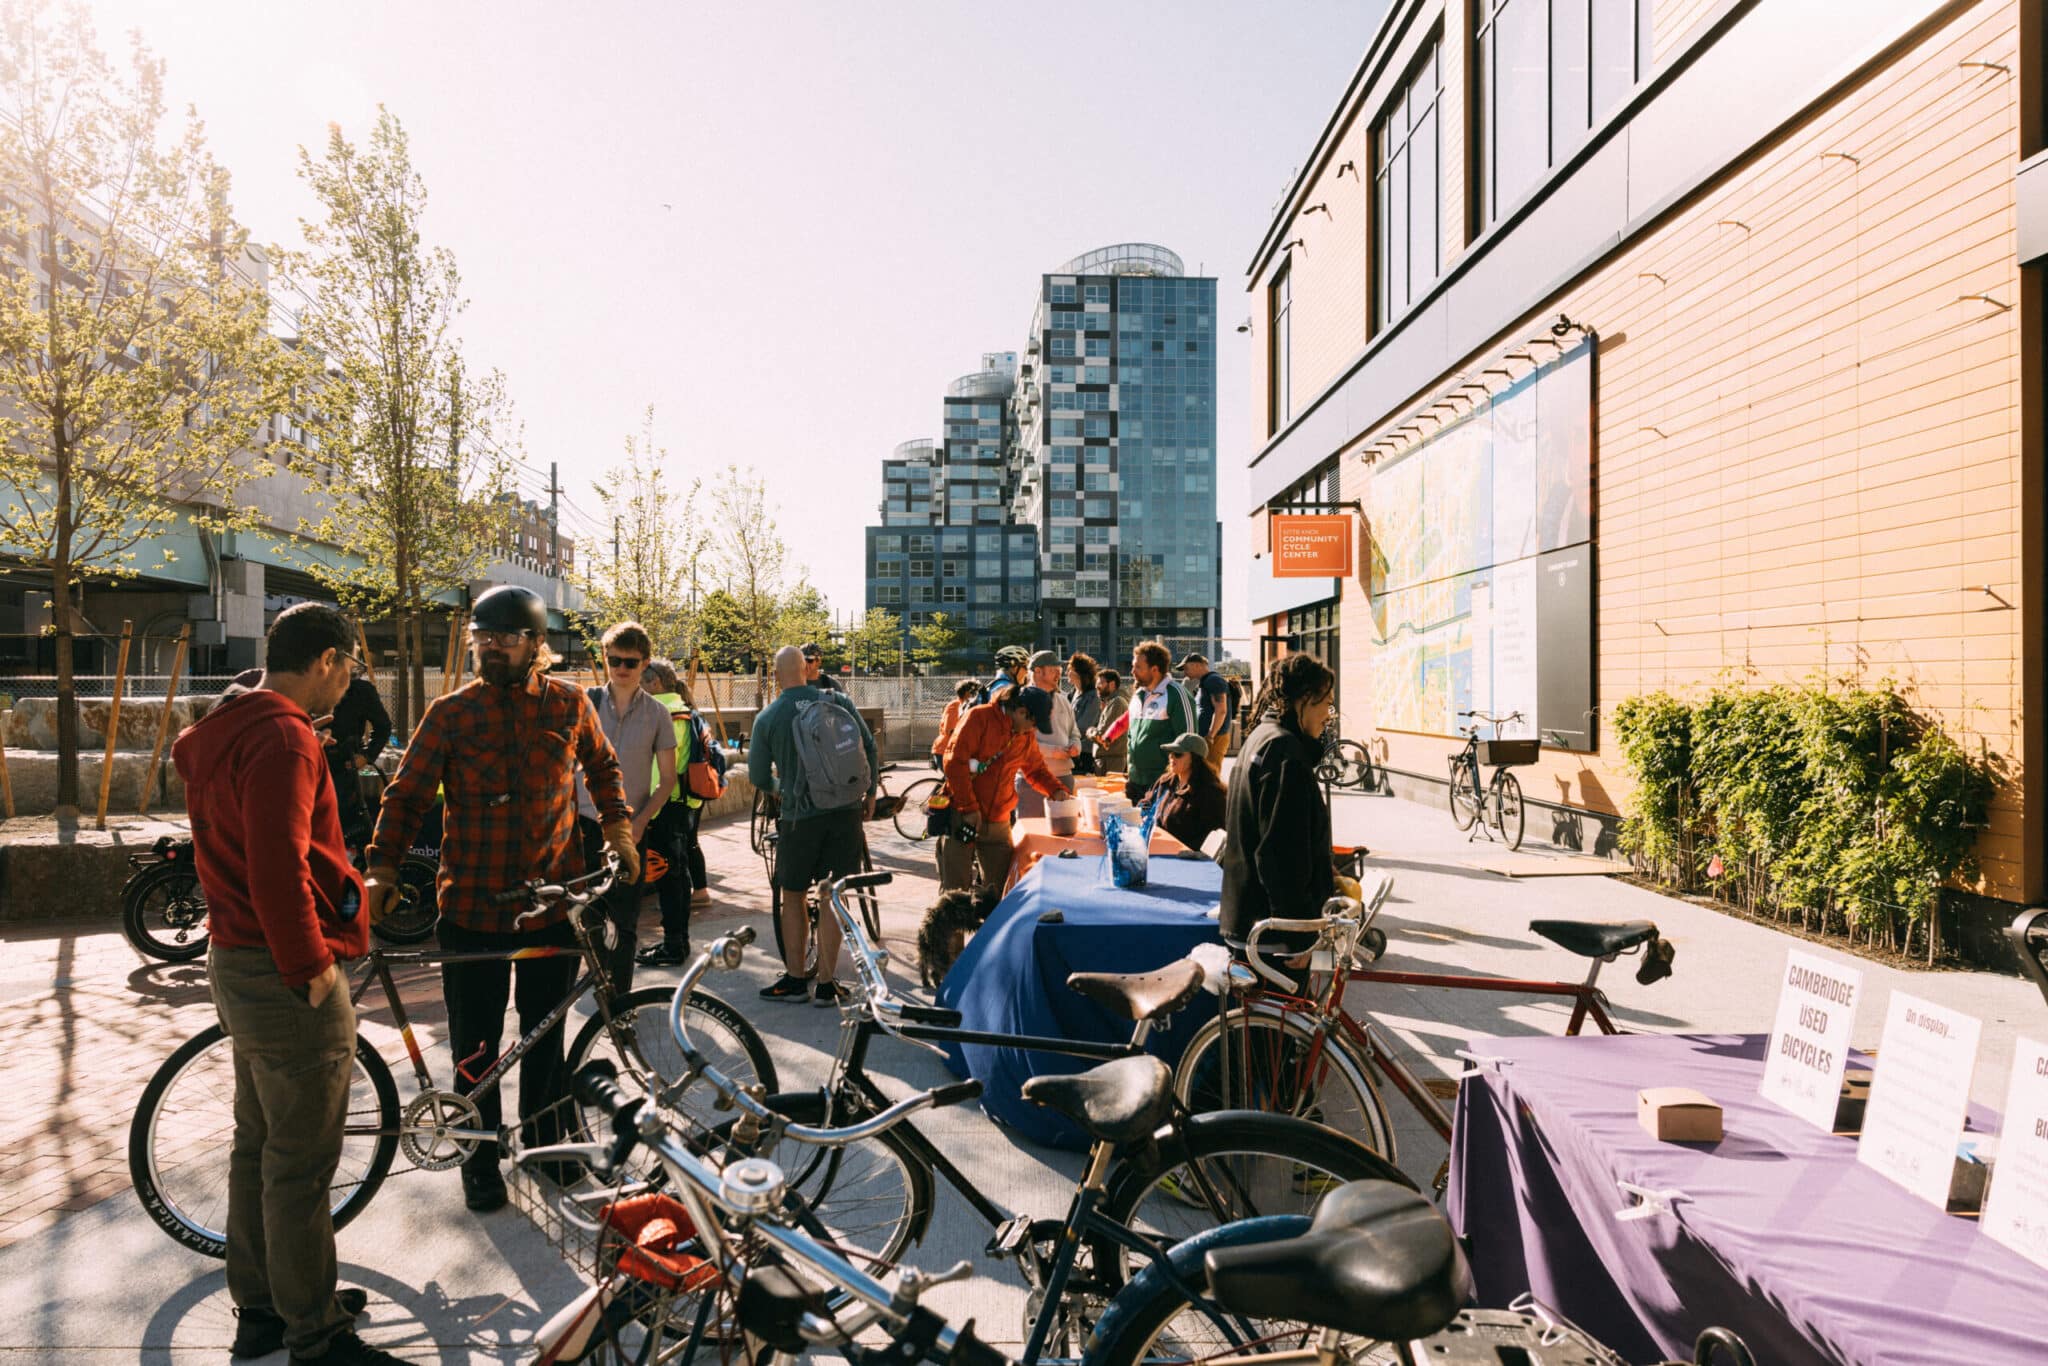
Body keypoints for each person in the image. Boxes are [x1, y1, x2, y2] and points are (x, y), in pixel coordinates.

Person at [173, 603, 407, 1365]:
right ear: (330, 661)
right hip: (282, 968)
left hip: (237, 958)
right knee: (301, 1161)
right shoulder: (283, 737)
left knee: (260, 1144)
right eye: (349, 668)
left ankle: (268, 1304)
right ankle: (316, 1332)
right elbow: (278, 864)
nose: (348, 685)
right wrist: (310, 968)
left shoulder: (231, 720)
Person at [364, 585, 637, 1216]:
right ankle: (478, 1159)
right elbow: (405, 797)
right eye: (482, 637)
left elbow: (604, 768)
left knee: (545, 1034)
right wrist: (381, 869)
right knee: (476, 1044)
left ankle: (546, 1144)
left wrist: (618, 828)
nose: (491, 647)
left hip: (553, 904)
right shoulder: (451, 713)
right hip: (473, 910)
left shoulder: (570, 706)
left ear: (537, 645)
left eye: (506, 637)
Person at [749, 644, 878, 1006]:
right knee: (833, 894)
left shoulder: (769, 717)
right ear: (806, 670)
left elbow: (759, 776)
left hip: (799, 818)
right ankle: (826, 983)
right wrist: (867, 795)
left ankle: (794, 979)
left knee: (793, 895)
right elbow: (869, 747)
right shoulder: (838, 702)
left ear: (776, 677)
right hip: (846, 812)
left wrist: (784, 789)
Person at [573, 622, 677, 995]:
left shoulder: (657, 714)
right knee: (588, 916)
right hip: (584, 825)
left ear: (644, 663)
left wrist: (640, 822)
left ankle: (620, 999)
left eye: (630, 663)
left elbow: (667, 779)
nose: (621, 668)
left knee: (626, 918)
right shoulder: (584, 705)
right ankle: (600, 989)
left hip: (632, 828)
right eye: (614, 660)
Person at [1219, 652, 1338, 957]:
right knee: (1289, 1006)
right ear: (1305, 698)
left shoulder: (1261, 737)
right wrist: (1299, 937)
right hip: (1272, 933)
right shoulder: (1285, 752)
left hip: (1246, 919)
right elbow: (1283, 856)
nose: (1329, 713)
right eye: (1327, 702)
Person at [940, 685, 1074, 895]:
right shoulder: (979, 718)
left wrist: (1056, 790)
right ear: (1020, 711)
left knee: (1000, 888)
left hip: (999, 820)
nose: (1034, 730)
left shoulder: (1024, 734)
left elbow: (1036, 770)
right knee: (955, 891)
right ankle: (949, 927)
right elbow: (955, 763)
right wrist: (969, 808)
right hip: (962, 815)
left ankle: (993, 927)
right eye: (1034, 723)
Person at [635, 658, 703, 966]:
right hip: (679, 806)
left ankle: (674, 944)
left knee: (668, 878)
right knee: (676, 875)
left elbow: (659, 770)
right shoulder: (684, 710)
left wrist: (643, 810)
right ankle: (678, 941)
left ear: (654, 683)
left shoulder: (661, 713)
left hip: (661, 807)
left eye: (641, 681)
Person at [1123, 640, 1197, 801]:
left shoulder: (1177, 695)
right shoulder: (1137, 695)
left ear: (1154, 669)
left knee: (1157, 827)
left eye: (1138, 667)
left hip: (1162, 784)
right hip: (1134, 782)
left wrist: (1180, 782)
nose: (1132, 671)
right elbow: (1131, 736)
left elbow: (1189, 742)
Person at [325, 672, 392, 845]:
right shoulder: (307, 686)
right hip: (310, 769)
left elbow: (383, 727)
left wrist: (366, 756)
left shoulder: (360, 691)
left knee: (341, 828)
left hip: (344, 771)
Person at [1015, 649, 1081, 820]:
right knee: (1032, 830)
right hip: (1031, 782)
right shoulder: (1021, 701)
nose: (1058, 675)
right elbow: (1019, 742)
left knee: (1064, 832)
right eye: (1053, 671)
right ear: (1037, 671)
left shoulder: (1063, 700)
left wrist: (1076, 746)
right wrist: (1053, 751)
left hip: (1064, 777)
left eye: (1059, 672)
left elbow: (1074, 732)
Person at [1138, 733, 1228, 852]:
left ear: (1195, 759)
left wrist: (1179, 849)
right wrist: (1142, 815)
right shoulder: (1165, 781)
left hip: (1186, 859)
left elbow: (1211, 838)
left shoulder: (1210, 793)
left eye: (1177, 754)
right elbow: (1147, 801)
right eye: (1170, 753)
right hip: (1157, 849)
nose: (1171, 757)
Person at [1178, 653, 1233, 775]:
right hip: (1208, 737)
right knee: (1204, 774)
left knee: (1210, 774)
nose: (1185, 673)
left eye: (1186, 668)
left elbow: (1221, 710)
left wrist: (1211, 735)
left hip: (1214, 737)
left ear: (1197, 665)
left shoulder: (1213, 680)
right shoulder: (1206, 682)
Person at [931, 678, 980, 770]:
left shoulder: (969, 707)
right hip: (944, 750)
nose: (976, 696)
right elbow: (949, 730)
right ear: (967, 693)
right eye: (974, 693)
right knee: (955, 780)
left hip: (955, 751)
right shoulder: (955, 706)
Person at [1088, 669, 1129, 772]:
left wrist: (1090, 731)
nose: (1097, 687)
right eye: (1097, 684)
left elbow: (1102, 735)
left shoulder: (1117, 702)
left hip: (1111, 761)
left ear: (1112, 684)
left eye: (1101, 683)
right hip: (1107, 760)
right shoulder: (1110, 702)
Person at [1068, 653, 1101, 775]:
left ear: (1078, 673)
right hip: (1072, 748)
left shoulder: (1093, 697)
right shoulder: (1072, 694)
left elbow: (1083, 726)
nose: (1067, 673)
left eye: (1070, 670)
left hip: (1084, 752)